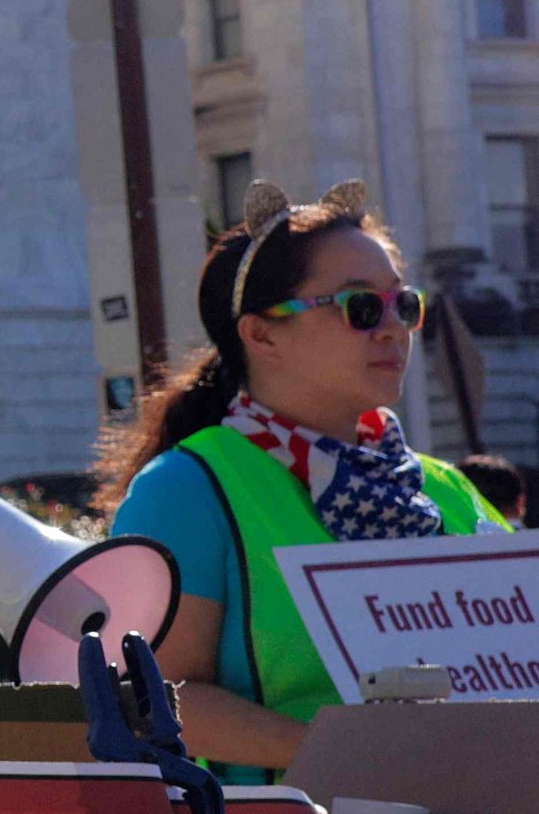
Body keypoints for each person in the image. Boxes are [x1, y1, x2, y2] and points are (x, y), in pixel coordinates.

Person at [98, 178, 509, 769]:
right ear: (262, 334)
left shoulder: (450, 489)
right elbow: (152, 698)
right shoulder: (187, 489)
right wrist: (359, 762)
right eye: (360, 307)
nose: (393, 328)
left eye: (405, 304)